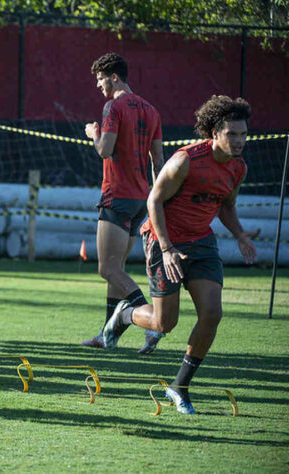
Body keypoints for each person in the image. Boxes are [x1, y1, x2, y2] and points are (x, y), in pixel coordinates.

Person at [103, 95, 256, 414]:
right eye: (233, 134)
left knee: (212, 313)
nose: (239, 141)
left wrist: (240, 234)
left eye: (243, 135)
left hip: (201, 242)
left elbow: (226, 205)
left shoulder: (237, 168)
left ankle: (179, 387)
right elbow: (153, 202)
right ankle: (126, 314)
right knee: (163, 323)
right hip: (163, 240)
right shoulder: (185, 160)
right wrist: (168, 248)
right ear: (214, 133)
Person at [82, 53, 165, 353]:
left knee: (107, 269)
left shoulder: (113, 106)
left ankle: (151, 319)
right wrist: (158, 198)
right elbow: (158, 160)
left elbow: (105, 150)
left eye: (100, 78)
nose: (98, 84)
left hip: (116, 196)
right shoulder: (152, 110)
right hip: (141, 199)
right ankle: (107, 335)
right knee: (117, 268)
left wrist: (93, 134)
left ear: (114, 77)